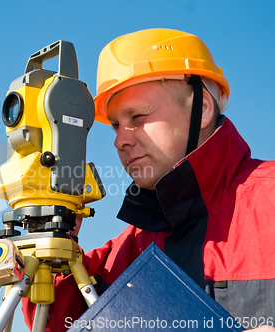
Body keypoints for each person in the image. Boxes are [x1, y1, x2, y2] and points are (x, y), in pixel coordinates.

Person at [22, 28, 275, 332]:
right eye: (115, 125)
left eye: (138, 117)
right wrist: (55, 249)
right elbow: (63, 322)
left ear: (202, 108)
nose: (119, 141)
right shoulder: (130, 249)